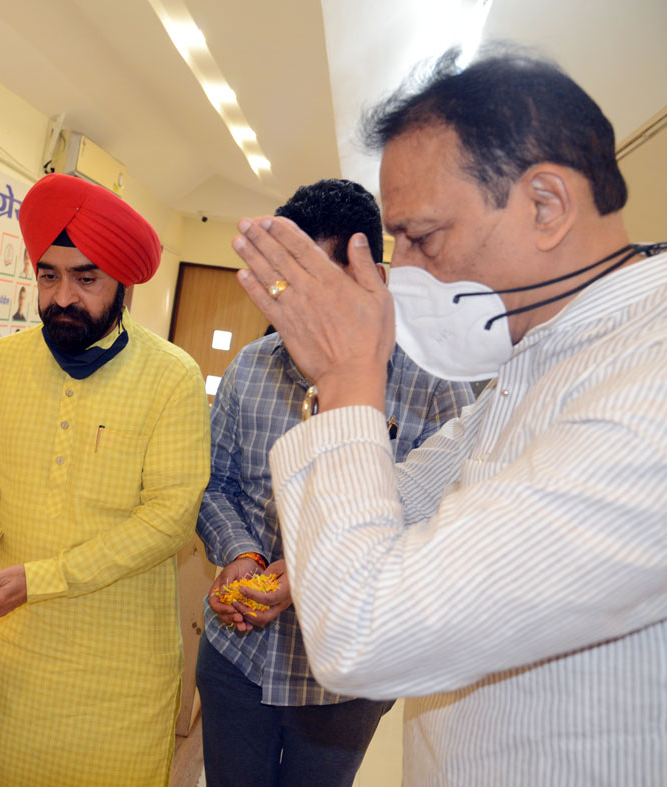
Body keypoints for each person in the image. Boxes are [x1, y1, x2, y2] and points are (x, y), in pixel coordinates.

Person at [231, 50, 667, 784]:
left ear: (546, 206)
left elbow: (364, 633)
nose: (405, 275)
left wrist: (349, 372)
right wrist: (311, 561)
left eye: (422, 237)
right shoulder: (546, 353)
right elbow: (411, 490)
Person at [196, 180, 474, 787]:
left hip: (343, 683)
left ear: (370, 277)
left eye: (316, 285)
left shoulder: (434, 383)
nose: (294, 308)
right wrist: (238, 553)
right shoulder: (251, 364)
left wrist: (317, 570)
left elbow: (441, 520)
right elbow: (216, 484)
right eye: (283, 287)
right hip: (236, 659)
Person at [0, 173, 210, 786]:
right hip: (10, 657)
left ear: (122, 285)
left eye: (86, 278)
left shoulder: (173, 376)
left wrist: (43, 579)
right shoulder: (2, 362)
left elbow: (169, 518)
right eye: (49, 275)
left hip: (119, 674)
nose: (63, 296)